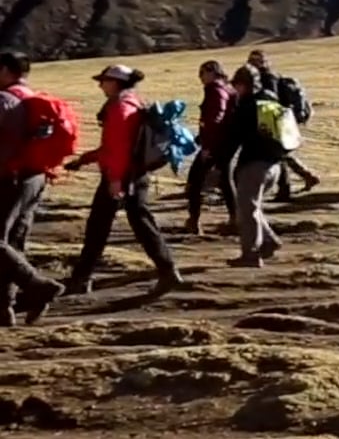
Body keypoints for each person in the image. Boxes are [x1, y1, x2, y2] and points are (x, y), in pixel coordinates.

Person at [66, 65, 184, 298]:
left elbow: (117, 149)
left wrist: (115, 180)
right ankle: (167, 270)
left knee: (99, 227)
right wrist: (84, 160)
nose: (100, 85)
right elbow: (115, 147)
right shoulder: (134, 102)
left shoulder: (120, 108)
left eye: (104, 81)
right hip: (134, 174)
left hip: (121, 176)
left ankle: (81, 278)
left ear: (116, 83)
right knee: (139, 222)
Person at [0, 53, 65, 326]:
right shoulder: (33, 99)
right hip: (37, 177)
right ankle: (5, 309)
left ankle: (38, 285)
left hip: (11, 177)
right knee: (13, 244)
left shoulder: (4, 100)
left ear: (4, 70)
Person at [221, 65, 285, 267]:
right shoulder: (270, 100)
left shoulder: (247, 106)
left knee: (246, 211)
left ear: (243, 85)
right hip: (274, 164)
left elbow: (234, 137)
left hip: (254, 164)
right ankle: (269, 242)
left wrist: (222, 161)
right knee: (252, 207)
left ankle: (251, 254)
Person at [247, 49, 320, 200]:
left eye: (256, 60)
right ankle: (305, 177)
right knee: (280, 153)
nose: (253, 63)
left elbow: (272, 101)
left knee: (278, 154)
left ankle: (287, 187)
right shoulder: (266, 77)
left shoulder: (268, 78)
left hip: (275, 119)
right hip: (277, 119)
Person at [183, 60, 237, 236]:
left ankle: (194, 220)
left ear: (212, 72)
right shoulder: (228, 88)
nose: (200, 77)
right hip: (227, 142)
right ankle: (235, 218)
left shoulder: (215, 89)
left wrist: (207, 146)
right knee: (226, 181)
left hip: (215, 144)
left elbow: (215, 118)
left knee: (195, 181)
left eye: (202, 73)